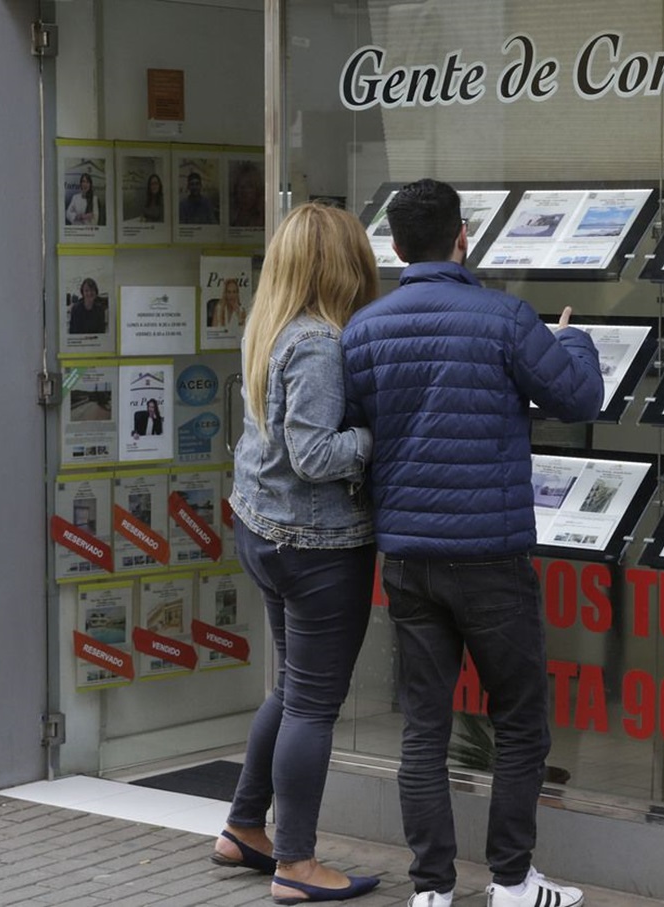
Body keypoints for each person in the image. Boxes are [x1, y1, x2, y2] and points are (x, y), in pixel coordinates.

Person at [340, 178, 603, 907]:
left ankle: (431, 891)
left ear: (394, 246)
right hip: (492, 554)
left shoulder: (364, 331)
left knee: (424, 724)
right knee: (520, 717)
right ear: (464, 236)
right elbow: (578, 397)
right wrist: (572, 337)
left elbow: (357, 432)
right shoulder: (507, 318)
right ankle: (514, 882)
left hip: (409, 559)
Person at [210, 202, 381, 904]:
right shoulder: (316, 341)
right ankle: (299, 862)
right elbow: (314, 454)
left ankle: (246, 825)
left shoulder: (269, 325)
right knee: (313, 703)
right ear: (342, 266)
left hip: (266, 529)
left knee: (289, 690)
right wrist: (377, 436)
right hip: (314, 544)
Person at [230, 160, 265, 228]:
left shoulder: (263, 216)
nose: (244, 191)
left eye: (249, 186)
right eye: (241, 186)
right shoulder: (232, 215)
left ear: (257, 190)